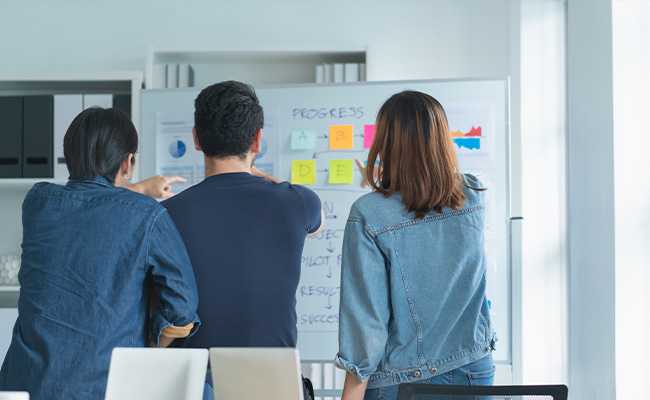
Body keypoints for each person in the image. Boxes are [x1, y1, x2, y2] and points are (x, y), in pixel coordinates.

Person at [0, 108, 201, 399]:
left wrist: (138, 188)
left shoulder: (37, 202)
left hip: (23, 386)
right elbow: (182, 307)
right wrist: (149, 343)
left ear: (69, 154)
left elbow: (90, 202)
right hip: (106, 388)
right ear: (128, 162)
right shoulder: (149, 217)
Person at [162, 81, 323, 399]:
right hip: (274, 386)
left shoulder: (164, 215)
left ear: (196, 138)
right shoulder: (298, 202)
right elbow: (316, 228)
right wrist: (255, 172)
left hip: (193, 385)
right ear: (257, 139)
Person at [335, 91, 497, 400]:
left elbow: (366, 326)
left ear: (386, 144)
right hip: (475, 368)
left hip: (403, 382)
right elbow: (426, 199)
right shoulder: (473, 193)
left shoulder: (368, 214)